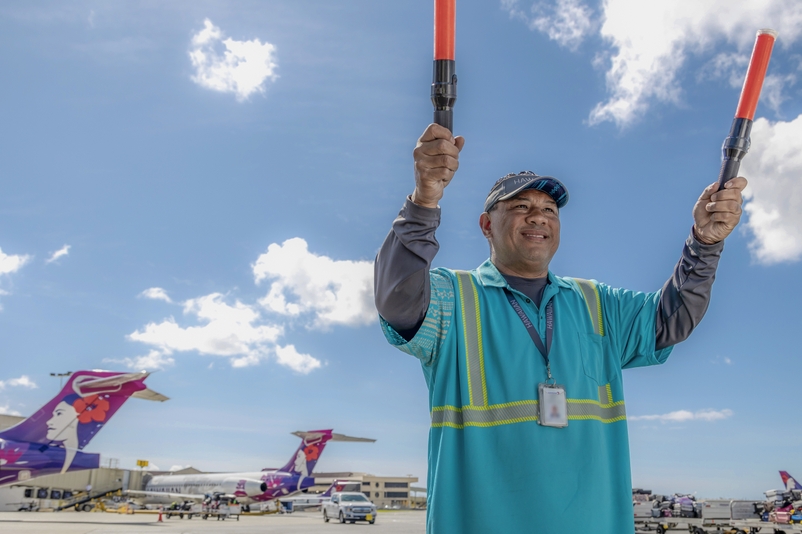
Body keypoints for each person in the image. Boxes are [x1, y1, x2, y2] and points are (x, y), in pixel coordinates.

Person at [374, 124, 747, 534]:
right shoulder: (453, 297)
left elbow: (674, 318)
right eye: (519, 206)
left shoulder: (598, 303)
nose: (538, 216)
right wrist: (425, 199)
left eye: (550, 210)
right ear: (486, 225)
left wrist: (704, 243)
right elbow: (397, 299)